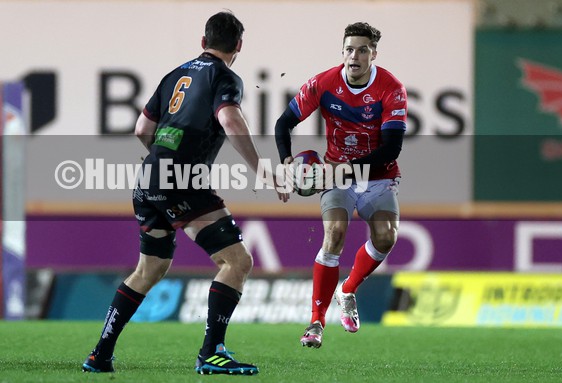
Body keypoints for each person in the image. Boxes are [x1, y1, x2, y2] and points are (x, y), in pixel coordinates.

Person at [82, 11, 287, 375]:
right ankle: (212, 353)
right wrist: (260, 167)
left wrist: (163, 159)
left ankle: (100, 355)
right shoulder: (225, 77)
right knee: (237, 262)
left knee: (150, 268)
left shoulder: (175, 74)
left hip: (148, 179)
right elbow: (229, 118)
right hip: (181, 181)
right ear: (239, 45)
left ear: (203, 41)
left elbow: (142, 129)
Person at [275, 22, 407, 348]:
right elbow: (284, 123)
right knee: (334, 234)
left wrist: (347, 169)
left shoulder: (391, 89)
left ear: (373, 54)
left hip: (378, 176)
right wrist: (286, 161)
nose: (354, 56)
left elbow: (391, 148)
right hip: (336, 175)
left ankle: (347, 290)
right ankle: (316, 323)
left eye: (362, 50)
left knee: (386, 238)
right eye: (349, 49)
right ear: (342, 52)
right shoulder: (324, 83)